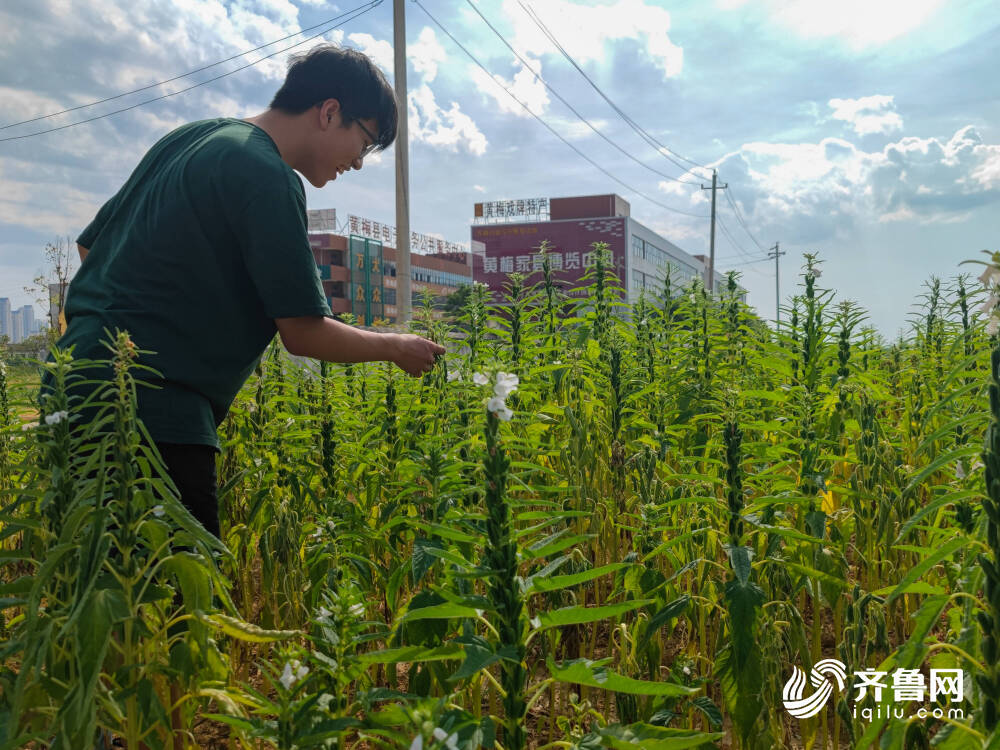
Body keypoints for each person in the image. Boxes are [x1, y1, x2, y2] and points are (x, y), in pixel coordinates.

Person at [45, 44, 445, 539]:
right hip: (153, 416)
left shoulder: (192, 138)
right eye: (364, 145)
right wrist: (396, 347)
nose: (358, 164)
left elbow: (92, 248)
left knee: (92, 590)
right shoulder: (267, 175)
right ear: (329, 112)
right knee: (183, 600)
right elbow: (303, 332)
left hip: (70, 393)